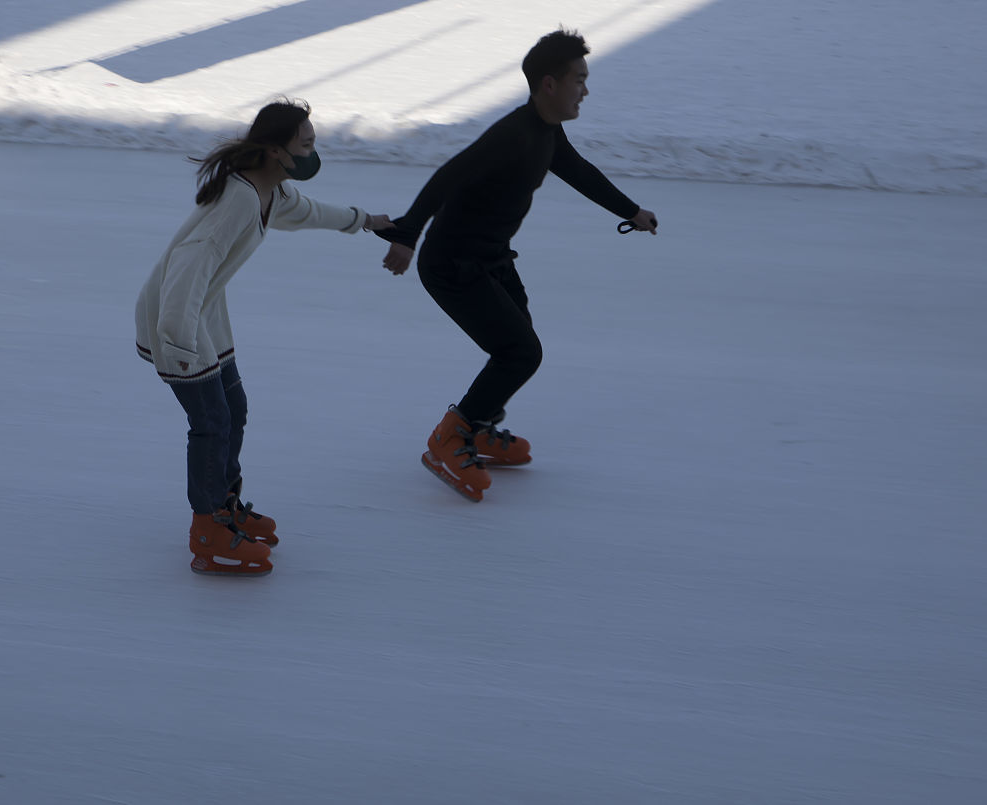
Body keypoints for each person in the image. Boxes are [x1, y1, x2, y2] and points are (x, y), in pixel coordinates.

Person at [378, 28, 658, 502]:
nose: (585, 90)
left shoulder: (547, 132)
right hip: (452, 264)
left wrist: (629, 211)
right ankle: (450, 436)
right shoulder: (512, 134)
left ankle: (481, 425)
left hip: (490, 258)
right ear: (549, 84)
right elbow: (449, 174)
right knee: (520, 352)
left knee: (517, 342)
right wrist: (407, 234)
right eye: (578, 80)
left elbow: (579, 171)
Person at [135, 100, 392, 576]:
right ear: (276, 151)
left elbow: (309, 212)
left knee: (235, 410)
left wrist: (367, 220)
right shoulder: (237, 200)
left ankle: (225, 504)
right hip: (177, 323)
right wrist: (177, 339)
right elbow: (189, 266)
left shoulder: (269, 191)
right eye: (307, 143)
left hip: (204, 317)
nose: (314, 152)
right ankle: (208, 527)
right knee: (211, 421)